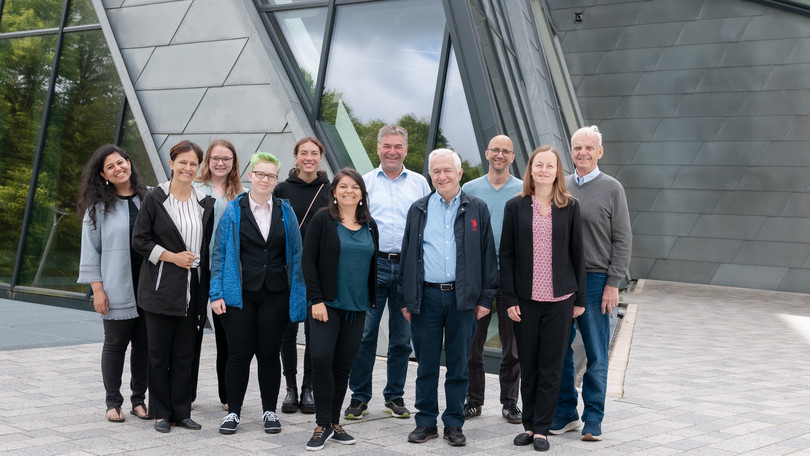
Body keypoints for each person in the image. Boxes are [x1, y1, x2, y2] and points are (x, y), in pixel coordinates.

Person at [400, 149, 498, 447]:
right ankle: (426, 422)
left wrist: (485, 299)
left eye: (447, 170)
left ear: (459, 173)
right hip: (426, 299)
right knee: (426, 365)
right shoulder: (418, 209)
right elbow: (407, 256)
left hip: (463, 300)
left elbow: (487, 257)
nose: (441, 176)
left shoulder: (477, 208)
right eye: (436, 172)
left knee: (458, 365)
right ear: (431, 175)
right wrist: (407, 299)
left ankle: (454, 423)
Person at [209, 152, 307, 435]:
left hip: (275, 293)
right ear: (250, 176)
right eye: (260, 174)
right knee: (238, 354)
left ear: (277, 180)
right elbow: (219, 254)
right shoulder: (233, 210)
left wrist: (297, 297)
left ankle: (269, 411)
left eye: (271, 176)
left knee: (268, 354)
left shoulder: (286, 212)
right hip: (239, 294)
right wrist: (216, 294)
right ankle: (233, 413)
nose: (265, 180)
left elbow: (297, 256)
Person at [501, 145, 585, 452]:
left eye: (550, 165)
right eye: (539, 165)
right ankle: (529, 425)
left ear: (557, 171)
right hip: (525, 300)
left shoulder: (570, 206)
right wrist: (509, 297)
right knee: (530, 365)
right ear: (531, 169)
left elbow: (578, 254)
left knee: (551, 365)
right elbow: (506, 255)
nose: (544, 170)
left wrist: (580, 300)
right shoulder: (516, 206)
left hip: (561, 299)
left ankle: (542, 430)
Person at [550, 126, 632, 441]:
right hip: (563, 280)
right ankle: (566, 413)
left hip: (598, 281)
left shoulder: (613, 188)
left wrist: (614, 283)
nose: (582, 153)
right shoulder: (562, 186)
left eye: (588, 148)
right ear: (570, 152)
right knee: (560, 351)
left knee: (597, 352)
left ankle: (593, 417)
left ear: (600, 152)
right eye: (576, 148)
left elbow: (623, 239)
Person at [345, 125, 430, 420]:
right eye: (386, 146)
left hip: (409, 268)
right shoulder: (364, 183)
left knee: (401, 339)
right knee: (364, 335)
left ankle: (394, 396)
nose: (392, 151)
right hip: (374, 266)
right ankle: (359, 397)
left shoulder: (420, 184)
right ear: (378, 148)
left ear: (405, 150)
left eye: (398, 146)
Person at [132, 140, 215, 433]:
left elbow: (204, 247)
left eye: (193, 164)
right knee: (158, 354)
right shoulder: (155, 198)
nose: (188, 168)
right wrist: (172, 257)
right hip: (160, 289)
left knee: (185, 354)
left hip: (192, 290)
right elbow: (139, 240)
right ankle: (161, 413)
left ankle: (181, 411)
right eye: (183, 162)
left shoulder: (205, 202)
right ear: (171, 163)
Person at [302, 168, 379, 451]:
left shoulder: (370, 225)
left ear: (362, 193)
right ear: (334, 192)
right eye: (343, 186)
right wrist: (316, 299)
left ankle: (334, 422)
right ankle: (322, 423)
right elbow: (308, 261)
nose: (349, 191)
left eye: (355, 187)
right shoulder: (323, 220)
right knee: (321, 358)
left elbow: (372, 266)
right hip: (327, 305)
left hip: (356, 308)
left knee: (343, 366)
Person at [77, 144, 151, 423]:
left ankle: (139, 400)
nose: (118, 168)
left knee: (144, 345)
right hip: (116, 287)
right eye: (111, 167)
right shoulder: (97, 210)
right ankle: (113, 401)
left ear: (129, 163)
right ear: (103, 174)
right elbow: (90, 252)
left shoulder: (151, 198)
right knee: (115, 344)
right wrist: (97, 290)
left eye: (121, 162)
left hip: (148, 287)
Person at [461, 134, 524, 424]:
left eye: (506, 151)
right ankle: (473, 400)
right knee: (473, 343)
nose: (500, 155)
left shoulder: (524, 190)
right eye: (495, 150)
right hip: (478, 275)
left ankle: (510, 403)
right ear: (487, 153)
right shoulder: (469, 189)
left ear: (513, 157)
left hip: (512, 276)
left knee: (513, 346)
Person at [274, 137, 331, 414]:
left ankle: (308, 387)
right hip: (287, 269)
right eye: (303, 153)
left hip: (318, 270)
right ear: (296, 157)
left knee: (313, 331)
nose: (309, 157)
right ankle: (290, 388)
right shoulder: (281, 189)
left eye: (314, 153)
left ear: (320, 157)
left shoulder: (329, 189)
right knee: (287, 330)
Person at [191, 138, 244, 412]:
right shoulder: (193, 188)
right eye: (215, 158)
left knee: (226, 335)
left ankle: (226, 396)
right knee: (191, 333)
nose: (221, 163)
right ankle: (186, 394)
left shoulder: (241, 193)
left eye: (226, 159)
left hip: (224, 270)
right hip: (195, 268)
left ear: (234, 162)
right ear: (207, 161)